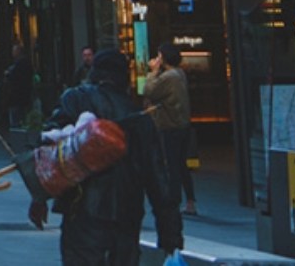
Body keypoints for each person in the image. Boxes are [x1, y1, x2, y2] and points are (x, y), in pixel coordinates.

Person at [32, 48, 184, 264]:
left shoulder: (75, 99)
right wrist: (170, 237)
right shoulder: (140, 119)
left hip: (82, 211)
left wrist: (39, 198)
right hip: (127, 215)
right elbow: (159, 181)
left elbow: (47, 152)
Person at [146, 43, 198, 216]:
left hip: (170, 125)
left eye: (159, 56)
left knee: (172, 165)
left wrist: (152, 72)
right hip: (182, 124)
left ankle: (174, 201)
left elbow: (149, 91)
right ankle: (190, 201)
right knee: (181, 164)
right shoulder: (179, 74)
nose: (156, 59)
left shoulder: (168, 77)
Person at [3, 44, 34, 129]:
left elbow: (13, 76)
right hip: (23, 94)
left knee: (16, 117)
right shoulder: (25, 63)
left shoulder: (20, 64)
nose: (12, 53)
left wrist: (8, 74)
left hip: (17, 95)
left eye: (14, 51)